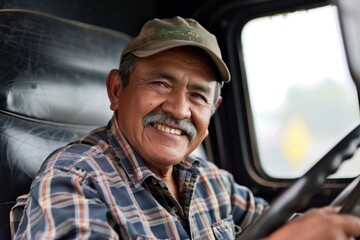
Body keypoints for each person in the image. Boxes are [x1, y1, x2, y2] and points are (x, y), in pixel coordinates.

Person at [13, 16, 360, 240]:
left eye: (197, 95)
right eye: (161, 84)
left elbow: (275, 222)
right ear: (117, 90)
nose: (179, 109)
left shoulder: (208, 178)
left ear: (212, 111)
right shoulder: (75, 179)